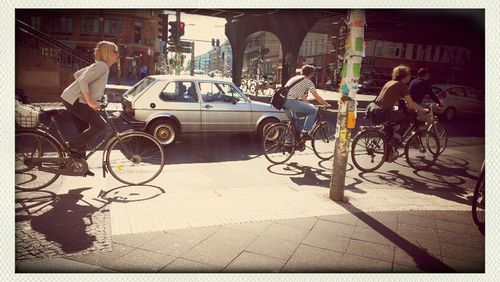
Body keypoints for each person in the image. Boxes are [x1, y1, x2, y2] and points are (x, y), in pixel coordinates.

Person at [61, 41, 120, 168]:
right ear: (109, 53)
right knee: (101, 126)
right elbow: (83, 80)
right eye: (115, 51)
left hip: (70, 98)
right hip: (75, 100)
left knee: (84, 132)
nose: (118, 54)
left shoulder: (99, 65)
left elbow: (77, 74)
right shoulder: (102, 67)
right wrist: (90, 101)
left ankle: (79, 165)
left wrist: (96, 96)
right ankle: (69, 145)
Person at [374, 65, 427, 157]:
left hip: (376, 110)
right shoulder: (402, 86)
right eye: (409, 75)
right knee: (407, 120)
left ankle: (388, 153)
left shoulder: (390, 82)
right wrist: (422, 110)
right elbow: (411, 104)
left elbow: (388, 97)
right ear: (404, 76)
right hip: (384, 112)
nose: (410, 77)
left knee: (390, 127)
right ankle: (395, 141)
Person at [283, 65, 331, 140]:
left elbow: (302, 95)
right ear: (312, 74)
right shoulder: (308, 82)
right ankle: (305, 132)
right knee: (313, 110)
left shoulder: (296, 78)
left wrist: (308, 104)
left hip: (283, 101)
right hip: (291, 101)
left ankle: (289, 142)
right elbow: (317, 97)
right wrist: (326, 104)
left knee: (295, 122)